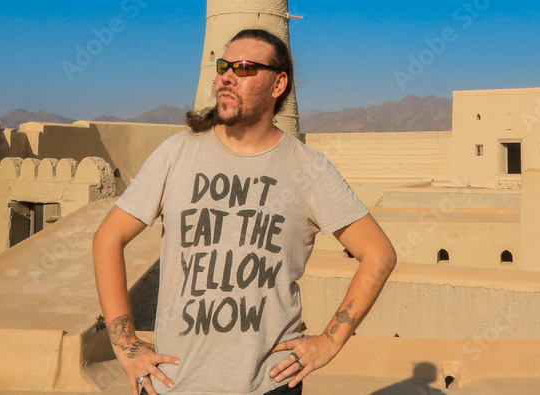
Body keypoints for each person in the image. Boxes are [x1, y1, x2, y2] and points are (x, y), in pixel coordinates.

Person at [92, 28, 397, 395]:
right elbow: (107, 238)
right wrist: (125, 347)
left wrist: (329, 342)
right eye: (224, 66)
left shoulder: (308, 169)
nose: (227, 76)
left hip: (268, 385)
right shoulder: (176, 153)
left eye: (245, 68)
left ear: (278, 83)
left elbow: (379, 254)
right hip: (173, 384)